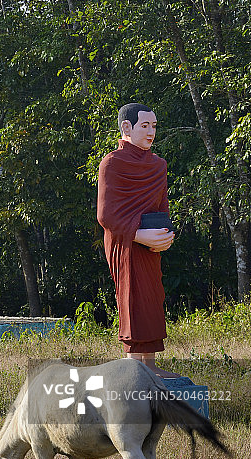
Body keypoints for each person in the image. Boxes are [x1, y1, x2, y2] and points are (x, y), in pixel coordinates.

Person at [97, 103, 179, 378]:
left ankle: (150, 365)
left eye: (153, 126)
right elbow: (106, 215)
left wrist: (166, 235)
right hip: (125, 243)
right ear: (126, 127)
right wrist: (138, 234)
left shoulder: (158, 165)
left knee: (153, 298)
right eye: (144, 126)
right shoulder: (112, 163)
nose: (151, 132)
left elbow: (162, 207)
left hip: (151, 244)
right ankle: (134, 367)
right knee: (132, 297)